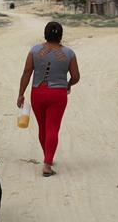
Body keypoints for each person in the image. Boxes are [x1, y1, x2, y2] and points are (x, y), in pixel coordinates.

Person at [17, 22, 80, 177]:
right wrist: (68, 84)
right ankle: (47, 163)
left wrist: (21, 93)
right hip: (58, 94)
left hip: (38, 92)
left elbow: (26, 73)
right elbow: (76, 76)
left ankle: (48, 156)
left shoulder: (35, 50)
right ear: (60, 35)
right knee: (53, 128)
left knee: (43, 127)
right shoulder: (69, 53)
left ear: (45, 34)